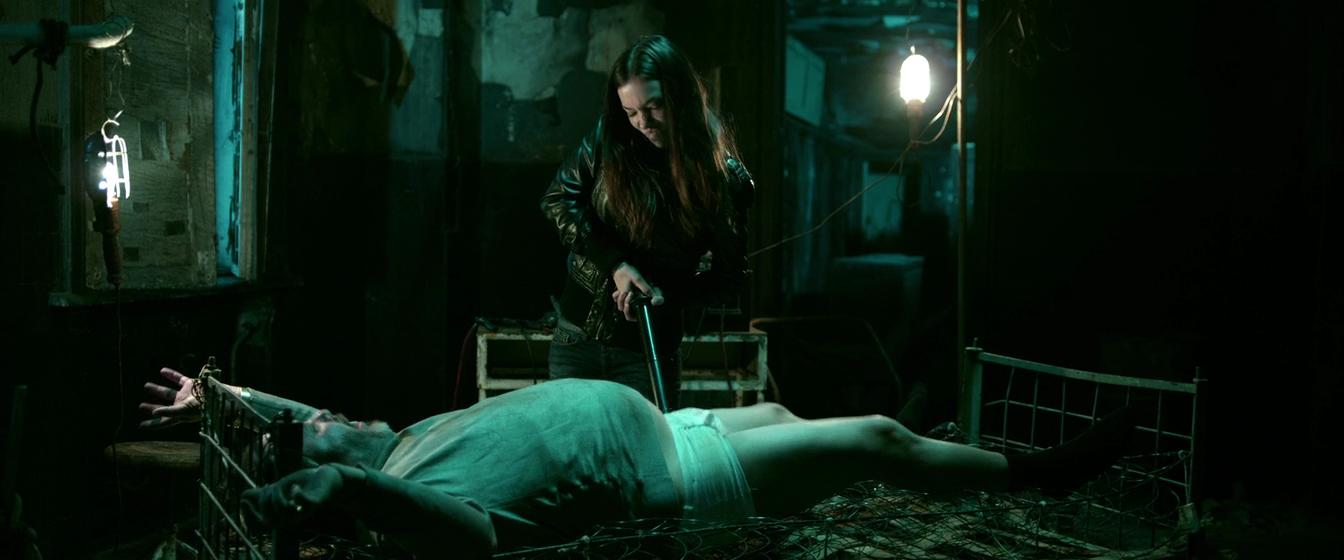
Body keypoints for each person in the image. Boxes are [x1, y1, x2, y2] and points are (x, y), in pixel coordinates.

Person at [140, 365, 1136, 559]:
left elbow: (298, 417)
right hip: (683, 477)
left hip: (673, 421)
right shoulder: (410, 486)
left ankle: (916, 455)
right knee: (873, 435)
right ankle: (1038, 472)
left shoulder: (406, 434)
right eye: (320, 427)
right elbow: (475, 538)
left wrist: (222, 398)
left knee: (793, 412)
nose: (327, 413)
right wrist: (341, 484)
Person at [540, 35, 755, 409]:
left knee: (649, 448)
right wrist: (615, 265)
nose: (643, 122)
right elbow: (558, 199)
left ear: (681, 97)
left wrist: (662, 295)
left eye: (654, 107)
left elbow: (730, 278)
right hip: (576, 340)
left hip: (649, 350)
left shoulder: (724, 178)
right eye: (631, 112)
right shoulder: (608, 139)